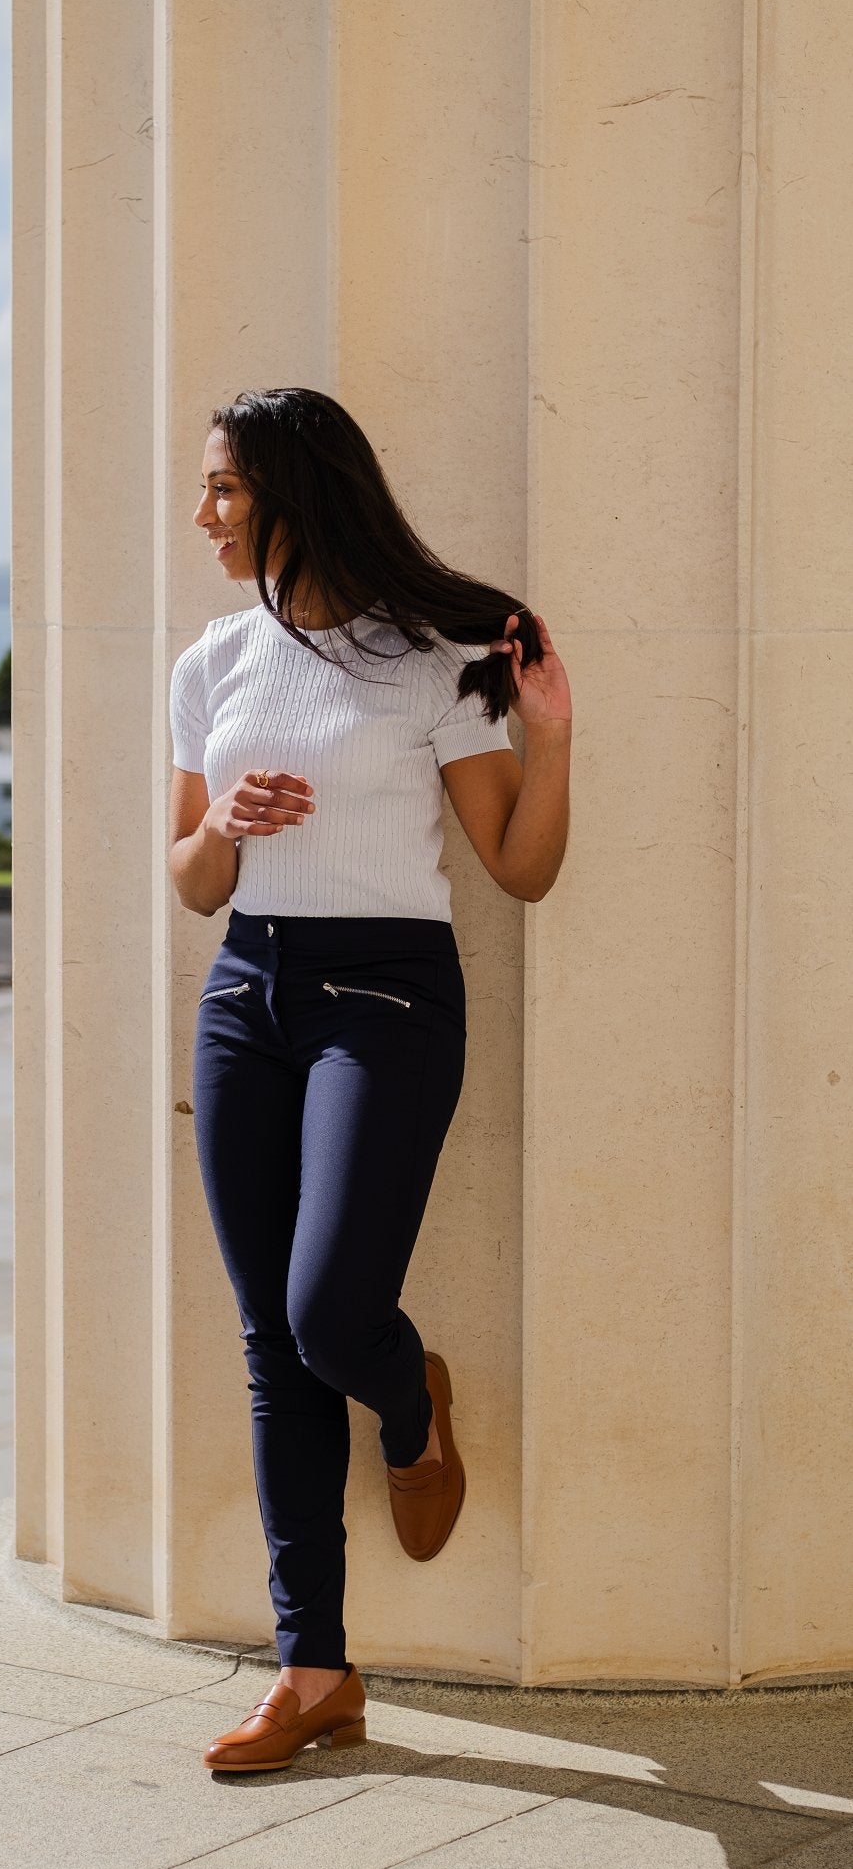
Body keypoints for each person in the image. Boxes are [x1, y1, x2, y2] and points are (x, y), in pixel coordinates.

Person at [168, 386, 572, 1774]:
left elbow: (516, 869)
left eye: (222, 486)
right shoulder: (210, 660)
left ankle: (407, 1400)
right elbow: (185, 878)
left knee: (329, 1313)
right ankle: (312, 1670)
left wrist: (551, 740)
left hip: (385, 1000)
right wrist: (221, 821)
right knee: (270, 1347)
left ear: (292, 490)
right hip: (243, 992)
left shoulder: (430, 656)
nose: (203, 511)